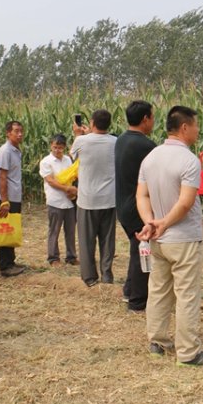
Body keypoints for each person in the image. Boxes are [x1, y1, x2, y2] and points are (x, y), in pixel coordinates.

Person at [136, 105, 203, 366]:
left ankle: (157, 341)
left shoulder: (151, 157)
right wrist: (164, 223)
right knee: (187, 295)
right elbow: (184, 203)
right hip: (183, 239)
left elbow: (142, 195)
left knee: (158, 291)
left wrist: (151, 223)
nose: (198, 129)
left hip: (159, 241)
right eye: (196, 125)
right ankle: (188, 352)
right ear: (184, 128)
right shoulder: (189, 160)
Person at [115, 100, 156, 312]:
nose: (154, 121)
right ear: (145, 119)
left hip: (122, 205)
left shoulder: (121, 139)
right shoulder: (145, 145)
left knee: (135, 249)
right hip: (137, 207)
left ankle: (129, 290)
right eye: (153, 117)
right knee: (143, 253)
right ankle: (138, 302)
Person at [71, 109, 117, 287]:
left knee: (86, 240)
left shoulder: (81, 141)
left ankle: (90, 277)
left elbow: (71, 156)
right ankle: (107, 276)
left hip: (87, 200)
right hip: (109, 199)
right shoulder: (115, 141)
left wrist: (77, 134)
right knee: (107, 241)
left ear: (91, 123)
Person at [39, 134, 78, 267]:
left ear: (64, 147)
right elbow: (50, 180)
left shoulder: (68, 160)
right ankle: (53, 257)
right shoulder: (46, 162)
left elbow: (73, 175)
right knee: (54, 230)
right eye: (55, 147)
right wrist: (67, 189)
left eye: (60, 148)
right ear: (51, 145)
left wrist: (72, 192)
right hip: (55, 201)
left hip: (69, 202)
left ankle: (71, 256)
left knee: (71, 231)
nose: (57, 150)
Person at [0, 120, 26, 277]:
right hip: (7, 199)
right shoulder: (5, 152)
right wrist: (4, 201)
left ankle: (11, 262)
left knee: (11, 230)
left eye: (21, 131)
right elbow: (2, 178)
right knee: (5, 232)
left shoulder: (15, 150)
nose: (20, 134)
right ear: (8, 133)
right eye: (16, 131)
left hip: (14, 197)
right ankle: (5, 266)